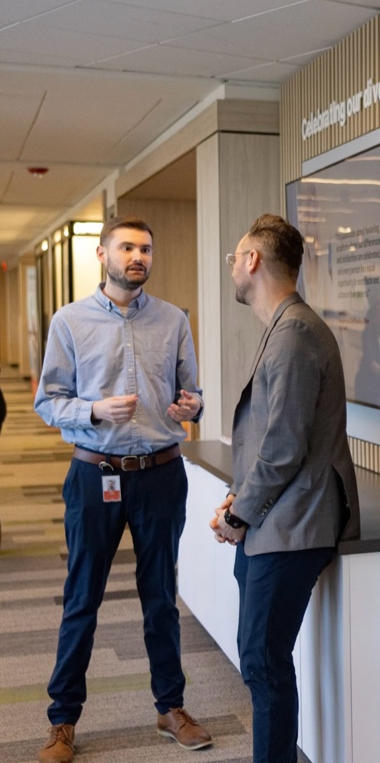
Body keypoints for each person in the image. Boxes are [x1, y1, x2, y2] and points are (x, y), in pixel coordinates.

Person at [33, 216, 212, 763]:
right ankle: (63, 721)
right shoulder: (69, 321)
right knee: (82, 597)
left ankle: (170, 706)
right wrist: (92, 409)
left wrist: (191, 407)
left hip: (160, 473)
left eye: (146, 248)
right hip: (95, 474)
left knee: (160, 596)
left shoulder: (175, 319)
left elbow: (192, 392)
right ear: (103, 255)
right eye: (128, 247)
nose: (139, 256)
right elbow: (48, 401)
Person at [211, 214, 360, 763]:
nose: (232, 266)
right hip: (273, 523)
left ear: (253, 260)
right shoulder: (283, 327)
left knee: (263, 661)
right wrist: (238, 503)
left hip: (292, 527)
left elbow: (284, 447)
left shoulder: (294, 333)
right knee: (260, 659)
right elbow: (270, 441)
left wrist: (237, 514)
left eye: (235, 255)